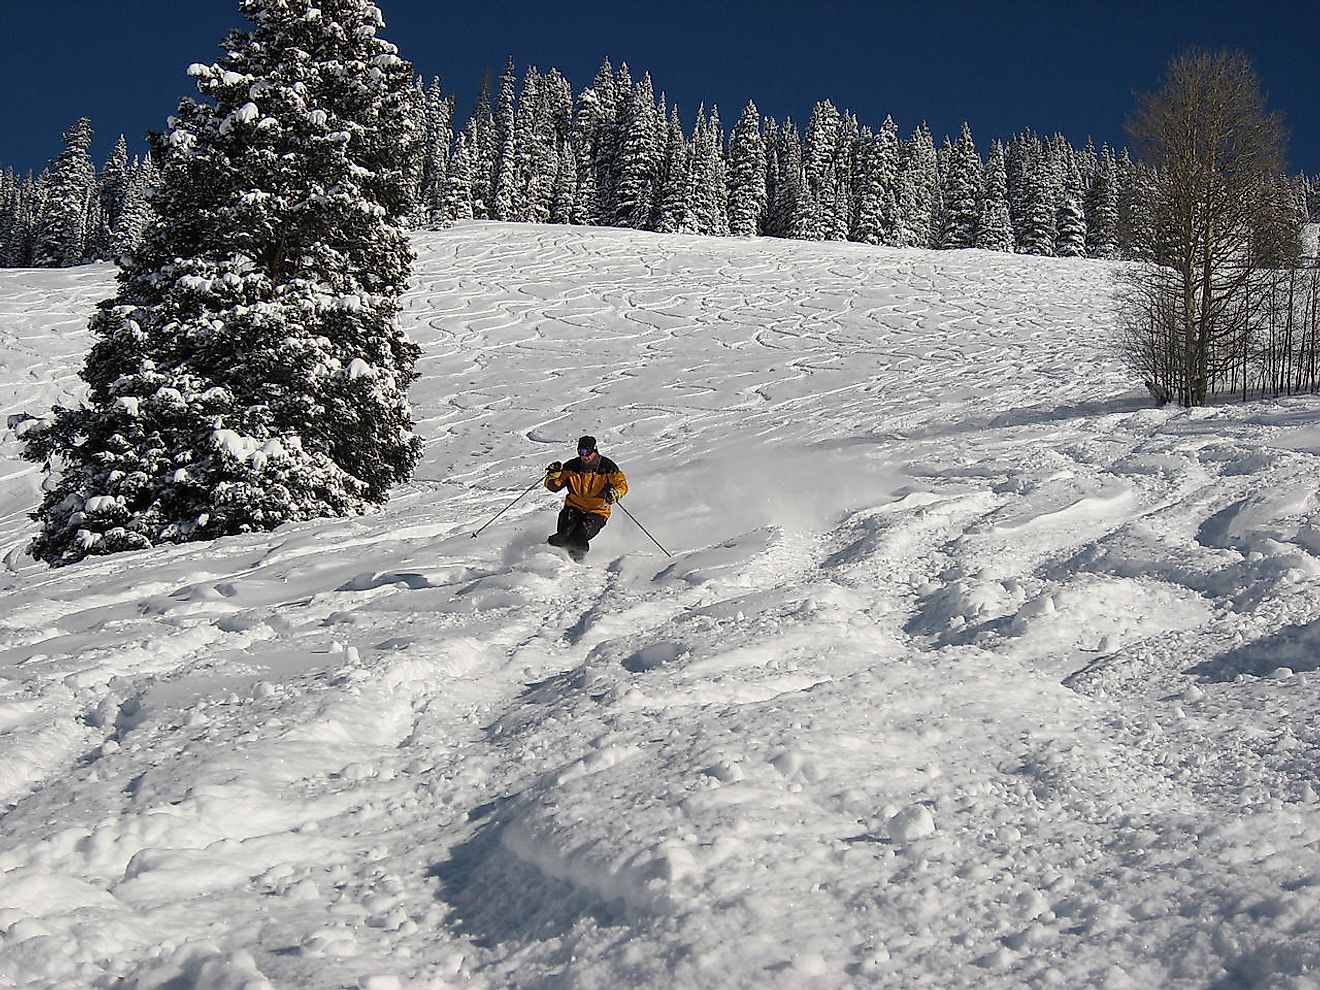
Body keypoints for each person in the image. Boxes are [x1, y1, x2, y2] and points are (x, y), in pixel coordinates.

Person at [544, 435, 628, 560]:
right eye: (581, 452)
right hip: (573, 507)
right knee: (564, 534)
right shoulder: (572, 467)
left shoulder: (607, 468)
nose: (585, 456)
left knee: (579, 535)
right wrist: (553, 476)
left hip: (597, 511)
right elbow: (554, 487)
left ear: (595, 450)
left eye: (588, 452)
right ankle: (550, 555)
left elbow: (622, 485)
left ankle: (578, 560)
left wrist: (615, 493)